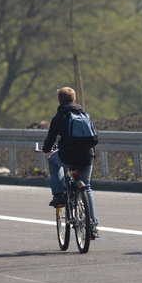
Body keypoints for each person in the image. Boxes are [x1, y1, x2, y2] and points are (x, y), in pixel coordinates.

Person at [41, 87, 100, 238]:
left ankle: (59, 193)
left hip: (67, 157)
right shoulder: (85, 115)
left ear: (60, 100)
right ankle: (92, 225)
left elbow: (50, 139)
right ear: (74, 99)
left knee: (53, 160)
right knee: (86, 187)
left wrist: (46, 149)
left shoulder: (59, 117)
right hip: (87, 157)